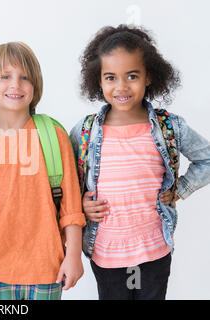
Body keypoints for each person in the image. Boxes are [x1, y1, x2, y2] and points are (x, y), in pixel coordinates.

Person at [69, 24, 210, 300]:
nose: (121, 86)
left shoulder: (169, 127)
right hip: (106, 252)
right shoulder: (85, 131)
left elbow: (206, 159)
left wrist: (180, 190)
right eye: (110, 77)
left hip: (154, 250)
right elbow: (66, 181)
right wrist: (80, 204)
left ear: (149, 77)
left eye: (132, 76)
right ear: (98, 81)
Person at [0, 42, 86, 300]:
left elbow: (71, 205)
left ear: (35, 86)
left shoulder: (54, 136)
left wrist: (74, 255)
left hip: (48, 269)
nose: (15, 85)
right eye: (5, 77)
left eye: (24, 78)